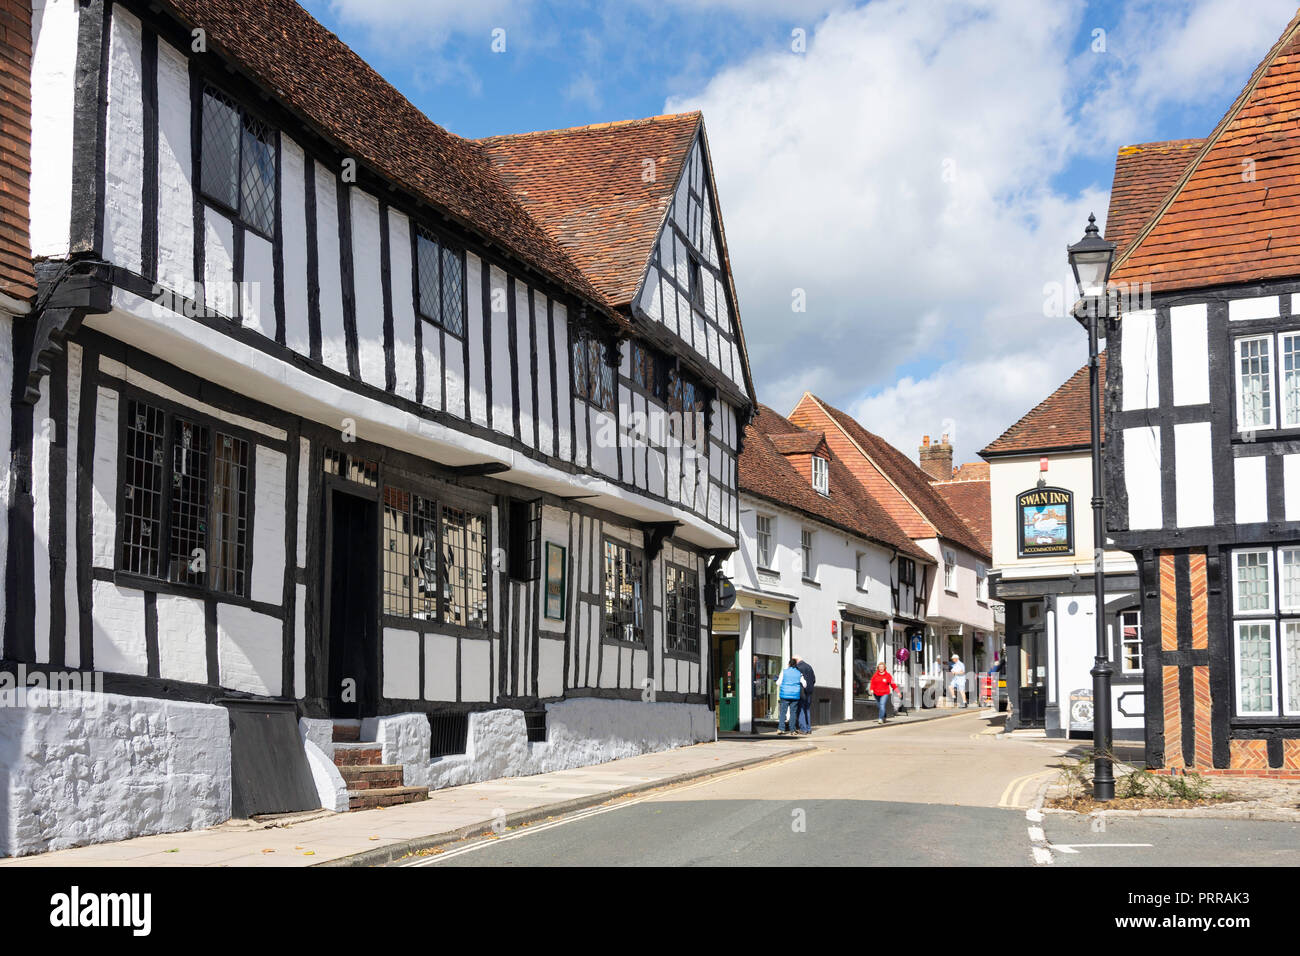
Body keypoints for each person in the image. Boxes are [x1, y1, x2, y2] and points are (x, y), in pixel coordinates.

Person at [777, 658, 805, 735]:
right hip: (795, 696)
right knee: (793, 713)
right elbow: (804, 684)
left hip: (785, 694)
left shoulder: (784, 671)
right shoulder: (799, 673)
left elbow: (778, 683)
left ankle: (781, 729)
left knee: (783, 712)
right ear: (796, 665)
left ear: (789, 664)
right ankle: (792, 730)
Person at [794, 655, 816, 735]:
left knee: (801, 710)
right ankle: (808, 728)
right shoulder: (809, 666)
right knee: (807, 709)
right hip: (809, 691)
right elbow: (814, 679)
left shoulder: (798, 667)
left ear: (796, 660)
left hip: (801, 691)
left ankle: (803, 729)